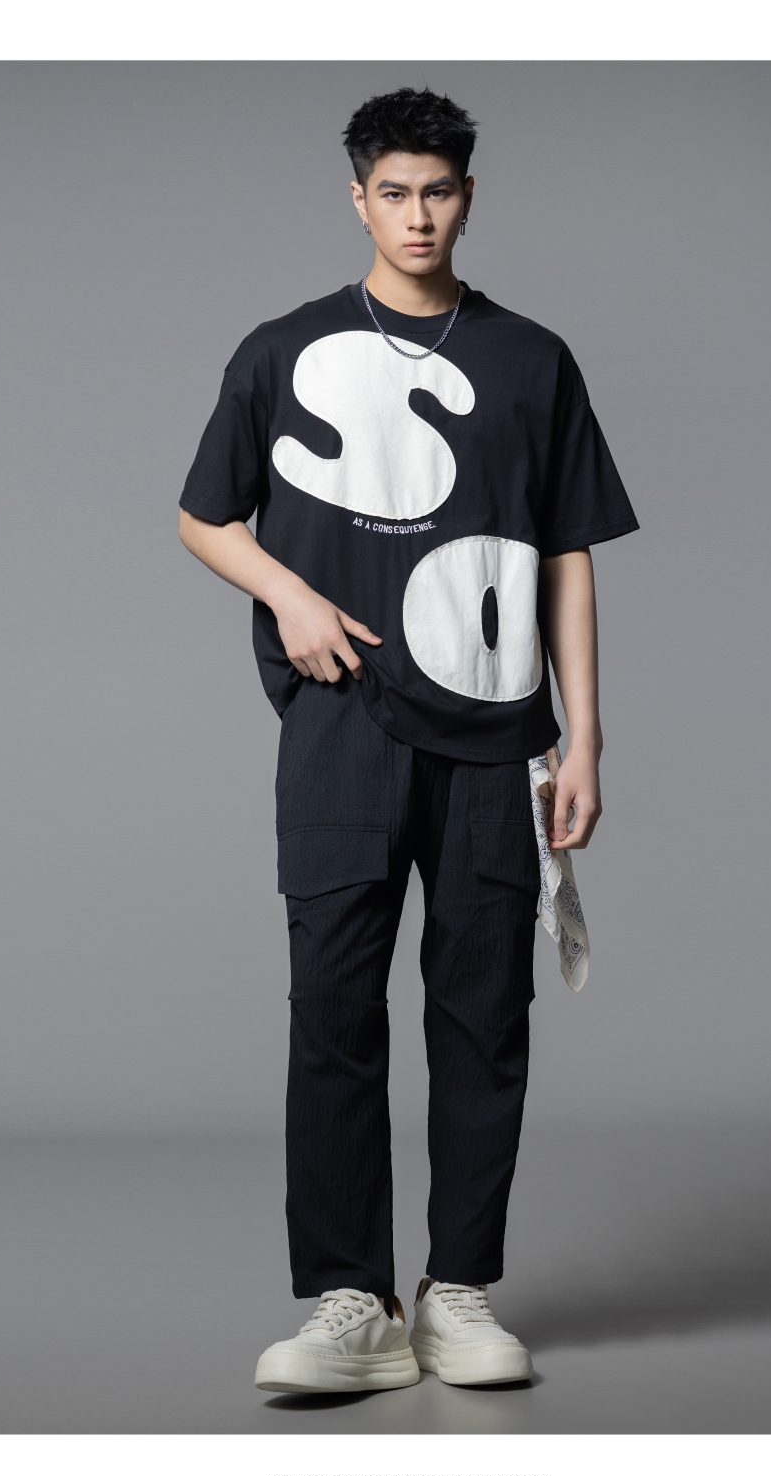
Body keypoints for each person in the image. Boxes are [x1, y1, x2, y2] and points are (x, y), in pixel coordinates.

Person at [178, 86, 638, 1394]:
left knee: (483, 1016)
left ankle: (456, 1293)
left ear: (467, 198)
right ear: (358, 199)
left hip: (496, 737)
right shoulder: (283, 349)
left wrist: (585, 738)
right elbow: (203, 515)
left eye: (438, 192)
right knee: (332, 1012)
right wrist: (288, 594)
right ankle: (352, 1302)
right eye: (394, 193)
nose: (418, 215)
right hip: (340, 729)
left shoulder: (532, 359)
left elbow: (568, 554)